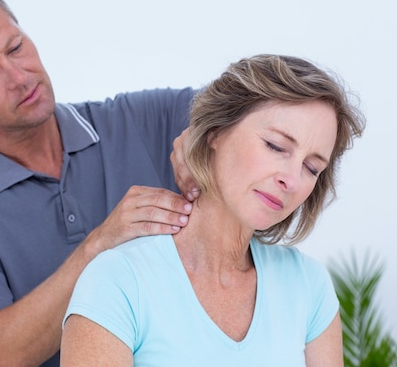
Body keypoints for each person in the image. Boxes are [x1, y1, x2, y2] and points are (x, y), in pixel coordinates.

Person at [0, 0, 200, 367]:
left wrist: (214, 129)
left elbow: (266, 102)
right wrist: (98, 246)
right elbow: (2, 354)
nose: (20, 77)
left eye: (15, 47)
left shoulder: (143, 120)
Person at [61, 54, 366, 367]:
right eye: (275, 146)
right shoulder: (117, 280)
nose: (290, 179)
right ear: (215, 132)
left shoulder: (308, 285)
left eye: (311, 167)